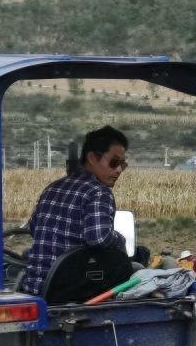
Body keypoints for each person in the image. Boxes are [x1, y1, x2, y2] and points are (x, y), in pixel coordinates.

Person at [21, 125, 136, 296]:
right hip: (67, 291)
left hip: (35, 287)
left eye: (122, 165)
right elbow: (99, 238)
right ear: (92, 158)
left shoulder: (53, 187)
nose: (119, 170)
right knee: (137, 267)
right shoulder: (98, 192)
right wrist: (121, 240)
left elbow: (34, 227)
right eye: (114, 162)